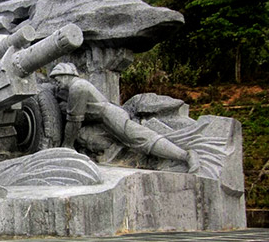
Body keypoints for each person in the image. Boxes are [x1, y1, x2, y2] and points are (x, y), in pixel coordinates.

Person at [50, 63, 199, 173]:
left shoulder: (78, 87)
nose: (56, 83)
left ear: (67, 75)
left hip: (110, 116)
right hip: (100, 121)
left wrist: (66, 147)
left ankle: (185, 156)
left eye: (57, 79)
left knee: (140, 138)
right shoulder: (69, 89)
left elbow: (74, 121)